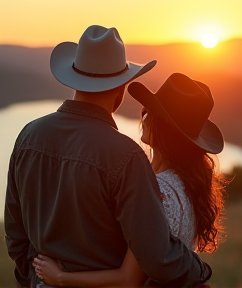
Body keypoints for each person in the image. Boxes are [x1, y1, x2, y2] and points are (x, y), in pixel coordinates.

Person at [4, 25, 212, 288]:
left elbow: (15, 233)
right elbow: (157, 257)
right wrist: (199, 269)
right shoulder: (126, 157)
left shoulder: (27, 137)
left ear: (73, 76)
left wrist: (34, 279)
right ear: (121, 87)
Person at [32, 73, 227, 287]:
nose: (143, 118)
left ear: (163, 129)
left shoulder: (157, 191)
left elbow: (128, 279)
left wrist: (60, 277)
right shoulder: (186, 185)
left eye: (150, 113)